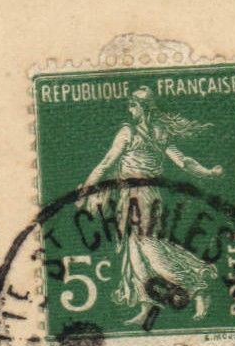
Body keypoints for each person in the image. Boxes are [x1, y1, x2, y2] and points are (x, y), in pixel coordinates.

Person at [80, 87, 224, 325]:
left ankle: (197, 288)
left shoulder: (139, 133)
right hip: (129, 197)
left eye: (133, 105)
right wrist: (207, 172)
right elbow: (184, 162)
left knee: (151, 249)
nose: (130, 109)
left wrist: (207, 172)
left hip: (145, 195)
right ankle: (147, 307)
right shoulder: (150, 132)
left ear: (143, 108)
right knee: (134, 254)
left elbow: (182, 161)